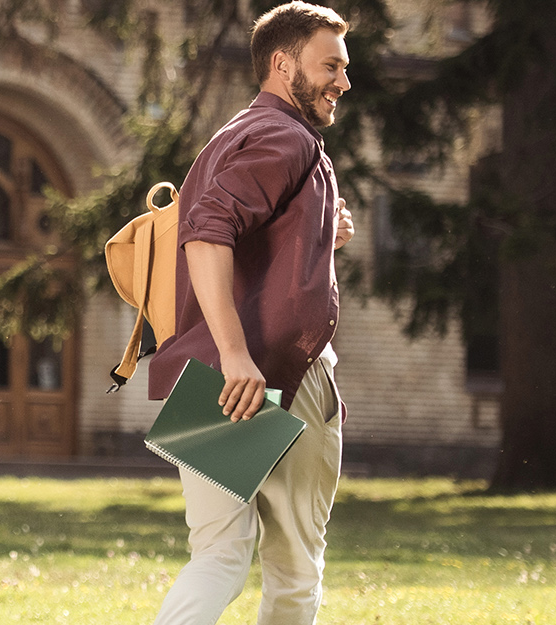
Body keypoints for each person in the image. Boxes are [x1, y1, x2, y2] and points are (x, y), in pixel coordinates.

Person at [145, 3, 358, 624]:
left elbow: (239, 237)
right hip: (271, 375)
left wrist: (323, 233)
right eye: (331, 66)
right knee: (295, 568)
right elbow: (207, 234)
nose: (343, 82)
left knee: (219, 556)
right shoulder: (284, 136)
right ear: (282, 62)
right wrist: (240, 357)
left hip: (208, 377)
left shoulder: (239, 132)